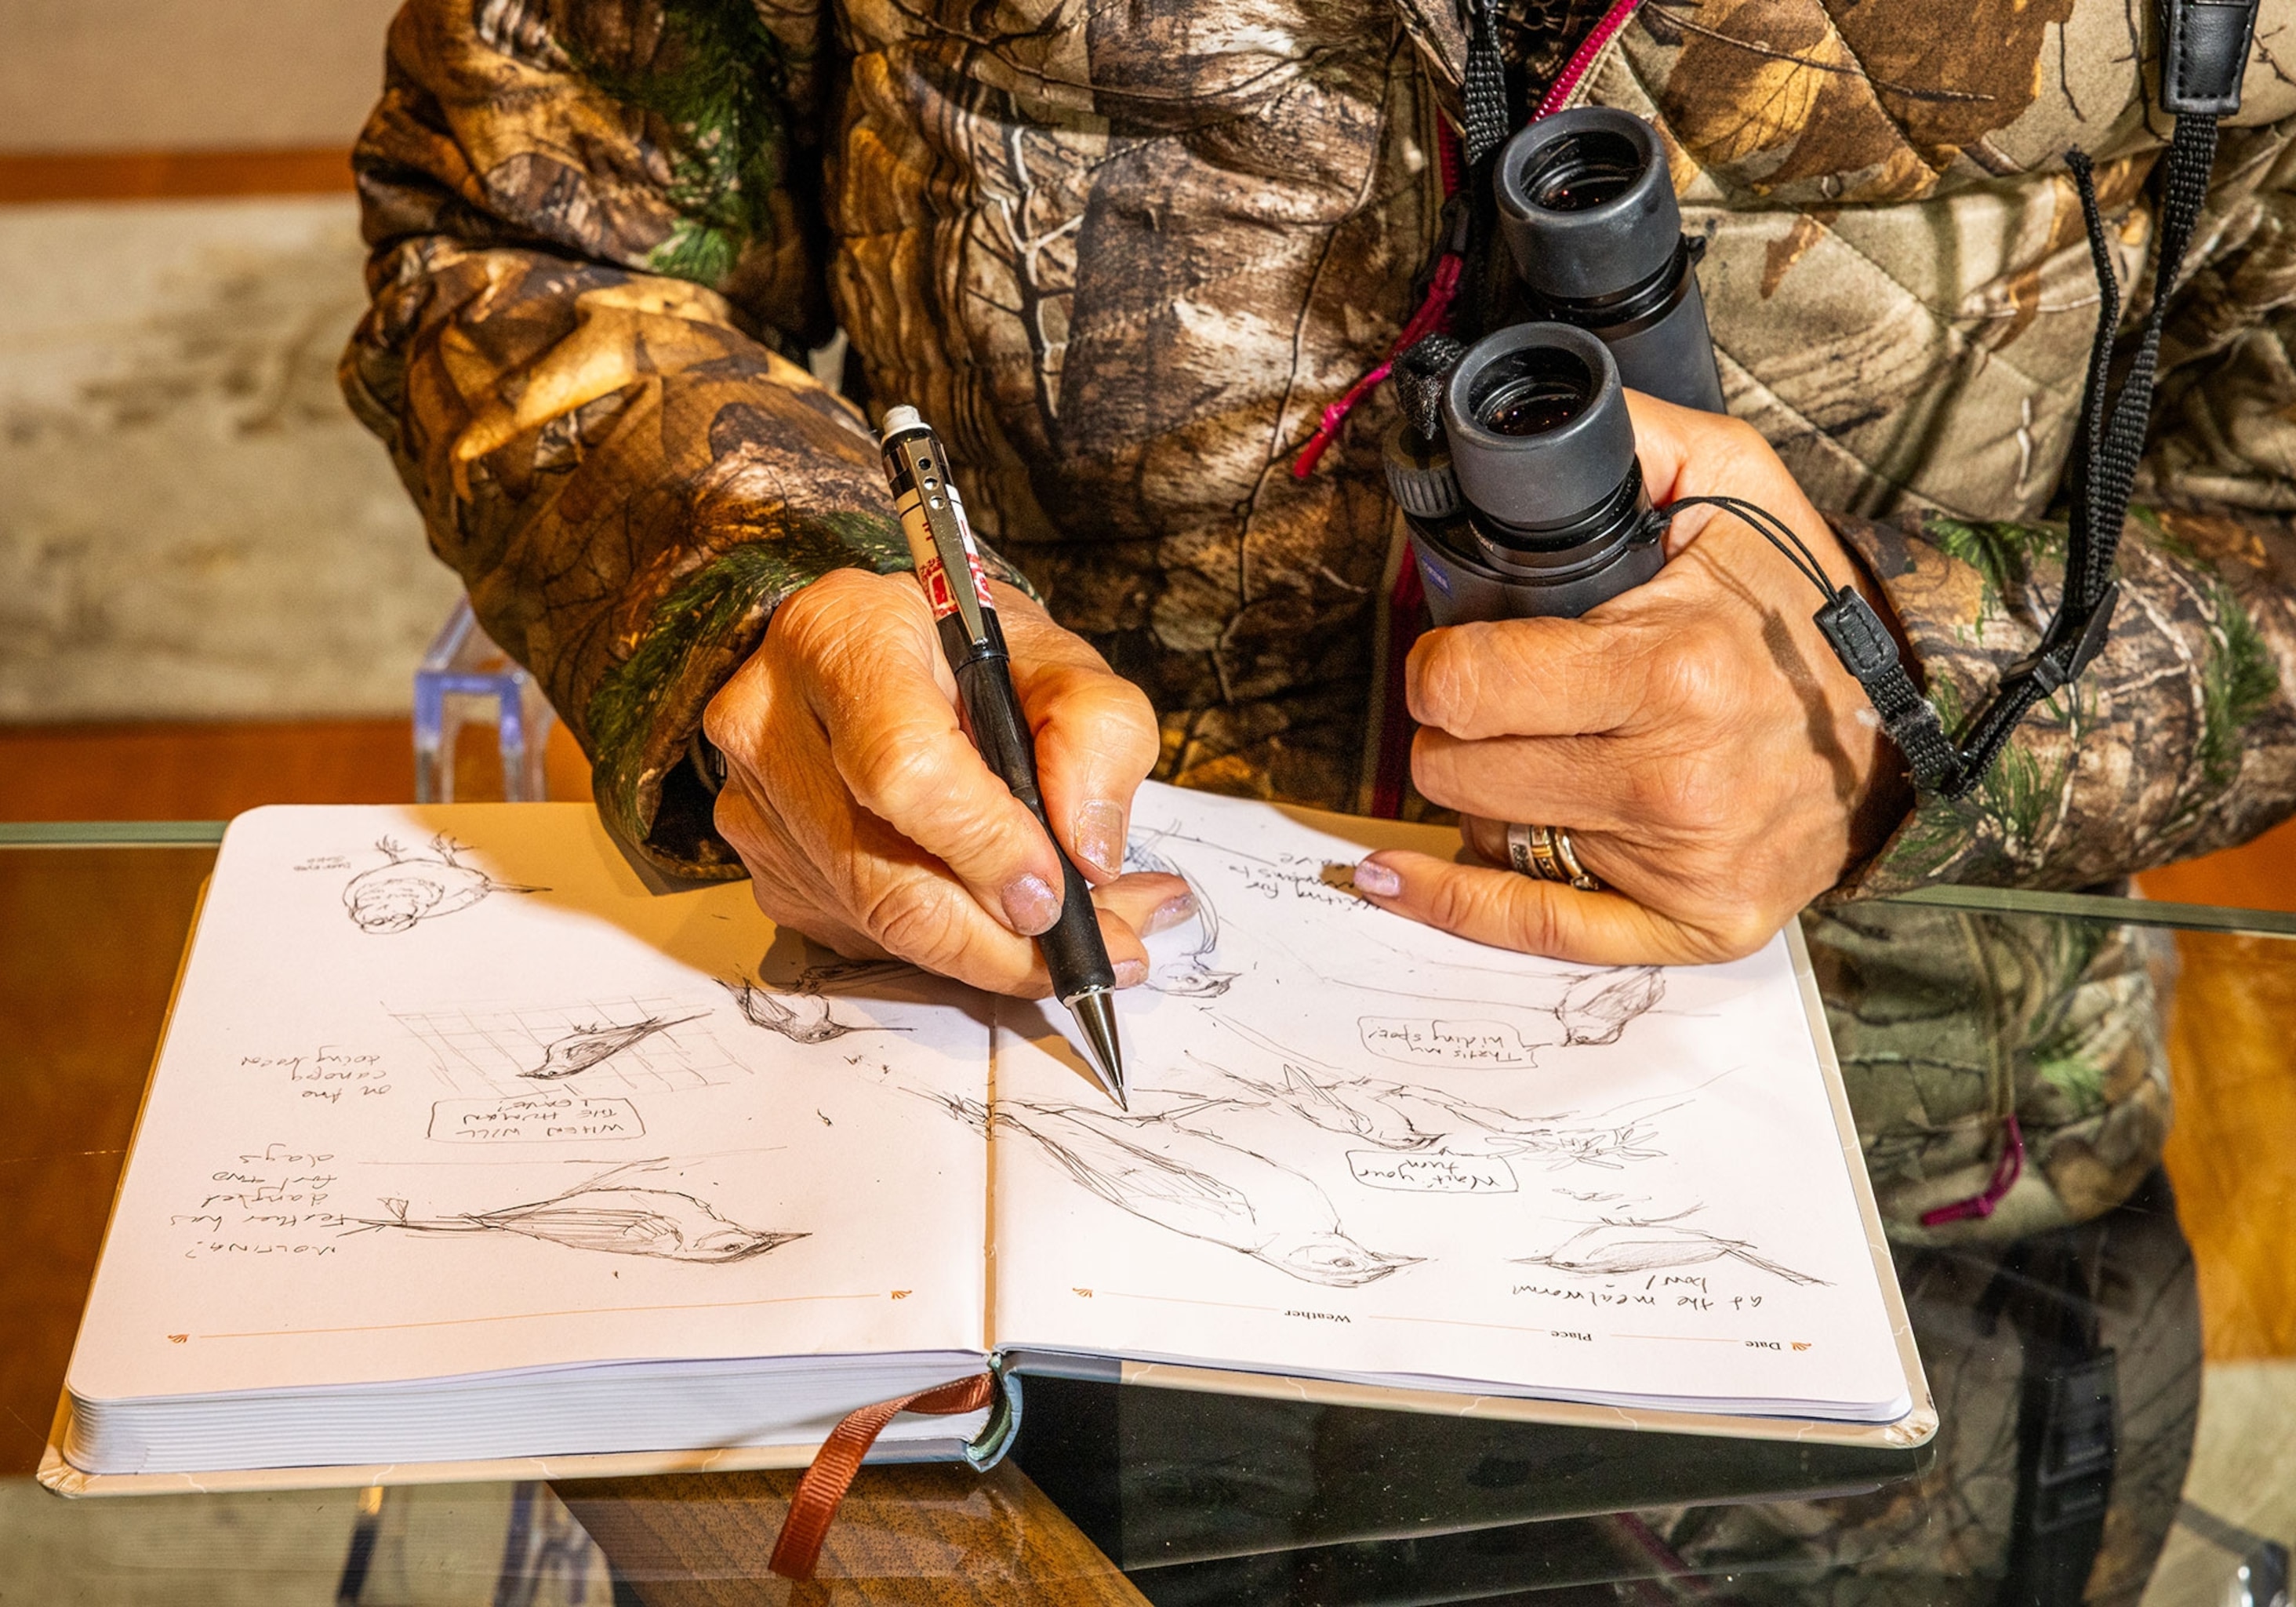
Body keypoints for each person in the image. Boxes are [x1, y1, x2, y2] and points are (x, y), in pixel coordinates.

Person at [340, 2, 2294, 1598]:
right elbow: (517, 220)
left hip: (1903, 1231)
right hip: (1009, 1203)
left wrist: (1912, 691)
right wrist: (764, 589)